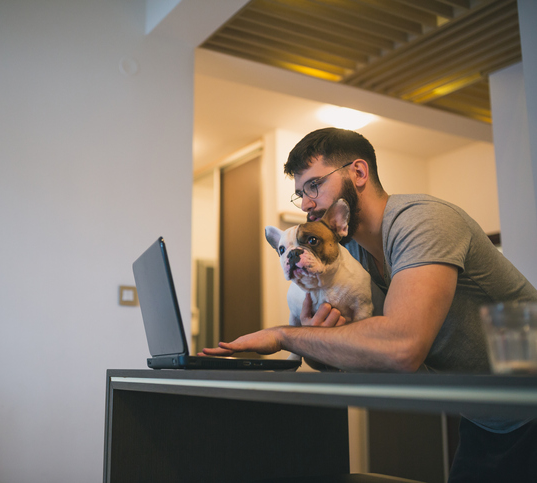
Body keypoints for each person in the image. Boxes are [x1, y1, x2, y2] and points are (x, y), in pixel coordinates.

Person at [202, 127, 537, 482]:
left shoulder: (422, 222)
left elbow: (402, 347)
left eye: (314, 186)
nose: (307, 204)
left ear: (358, 173)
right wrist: (318, 345)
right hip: (487, 416)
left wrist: (287, 336)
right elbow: (364, 353)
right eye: (300, 194)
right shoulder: (350, 256)